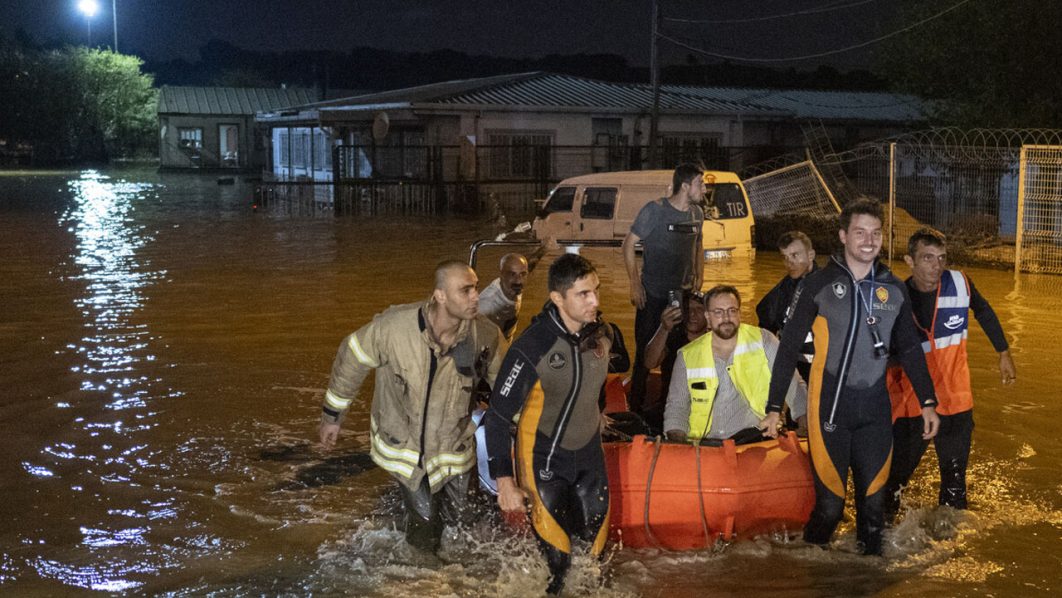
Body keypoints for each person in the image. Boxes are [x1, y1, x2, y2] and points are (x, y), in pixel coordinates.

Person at [760, 198, 940, 556]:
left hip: (875, 412)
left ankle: (864, 577)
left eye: (875, 233)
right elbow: (788, 347)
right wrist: (773, 407)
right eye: (860, 232)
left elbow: (909, 348)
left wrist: (928, 402)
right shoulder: (820, 284)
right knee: (830, 508)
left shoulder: (894, 288)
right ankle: (809, 570)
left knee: (873, 515)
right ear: (843, 236)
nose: (869, 241)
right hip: (829, 410)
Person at [318, 260, 505, 553]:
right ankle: (423, 572)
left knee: (464, 523)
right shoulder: (393, 330)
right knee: (426, 526)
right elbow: (352, 357)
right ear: (440, 295)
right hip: (406, 447)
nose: (475, 297)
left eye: (476, 288)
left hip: (453, 446)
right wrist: (332, 417)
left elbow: (506, 385)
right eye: (465, 290)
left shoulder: (485, 335)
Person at [484, 254, 614, 595]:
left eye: (596, 290)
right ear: (557, 298)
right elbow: (496, 417)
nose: (595, 301)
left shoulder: (603, 335)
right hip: (544, 464)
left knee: (595, 564)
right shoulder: (532, 346)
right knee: (559, 566)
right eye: (583, 294)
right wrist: (504, 481)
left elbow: (595, 384)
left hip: (590, 463)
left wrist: (598, 412)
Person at [883, 229, 1017, 517]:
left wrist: (1003, 352)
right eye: (928, 258)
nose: (937, 266)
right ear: (909, 261)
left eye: (942, 258)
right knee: (895, 480)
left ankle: (951, 537)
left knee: (955, 483)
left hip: (955, 399)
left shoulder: (960, 283)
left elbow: (983, 311)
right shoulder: (894, 299)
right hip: (912, 404)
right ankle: (883, 532)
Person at [664, 286, 807, 442]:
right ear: (708, 317)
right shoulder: (686, 356)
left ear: (739, 313)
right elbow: (677, 407)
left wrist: (805, 425)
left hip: (756, 439)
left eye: (732, 311)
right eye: (718, 312)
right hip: (706, 443)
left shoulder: (764, 340)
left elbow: (792, 383)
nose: (726, 318)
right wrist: (678, 443)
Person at [623, 163, 706, 416]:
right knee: (644, 356)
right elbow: (628, 245)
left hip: (681, 296)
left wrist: (699, 275)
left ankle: (668, 411)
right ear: (685, 186)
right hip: (652, 295)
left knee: (676, 355)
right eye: (700, 183)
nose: (705, 188)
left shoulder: (697, 213)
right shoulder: (654, 210)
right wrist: (635, 284)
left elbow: (698, 244)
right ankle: (635, 411)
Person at [640, 290, 708, 432]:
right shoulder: (672, 340)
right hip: (670, 408)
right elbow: (649, 362)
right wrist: (664, 328)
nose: (692, 314)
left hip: (705, 409)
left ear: (708, 314)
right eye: (688, 309)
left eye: (699, 309)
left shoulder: (716, 342)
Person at [756, 231, 819, 382]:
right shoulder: (783, 290)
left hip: (823, 368)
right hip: (793, 369)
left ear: (811, 255)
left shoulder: (829, 287)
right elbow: (765, 324)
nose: (789, 263)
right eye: (785, 257)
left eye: (795, 255)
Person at [478, 247, 545, 342]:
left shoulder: (513, 286)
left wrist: (544, 249)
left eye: (523, 274)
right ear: (502, 274)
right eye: (512, 274)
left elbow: (529, 265)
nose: (518, 280)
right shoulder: (486, 306)